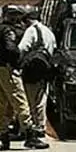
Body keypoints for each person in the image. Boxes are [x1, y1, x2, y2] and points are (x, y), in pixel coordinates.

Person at [0, 5, 49, 150]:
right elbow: (12, 49)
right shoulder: (8, 30)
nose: (17, 18)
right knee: (20, 101)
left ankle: (4, 136)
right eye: (14, 15)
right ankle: (30, 135)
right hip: (8, 69)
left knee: (2, 104)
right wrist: (17, 61)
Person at [18, 9, 56, 138]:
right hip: (45, 69)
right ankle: (41, 125)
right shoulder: (48, 31)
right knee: (41, 99)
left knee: (29, 100)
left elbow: (22, 48)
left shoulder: (31, 31)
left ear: (27, 21)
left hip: (32, 70)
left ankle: (31, 127)